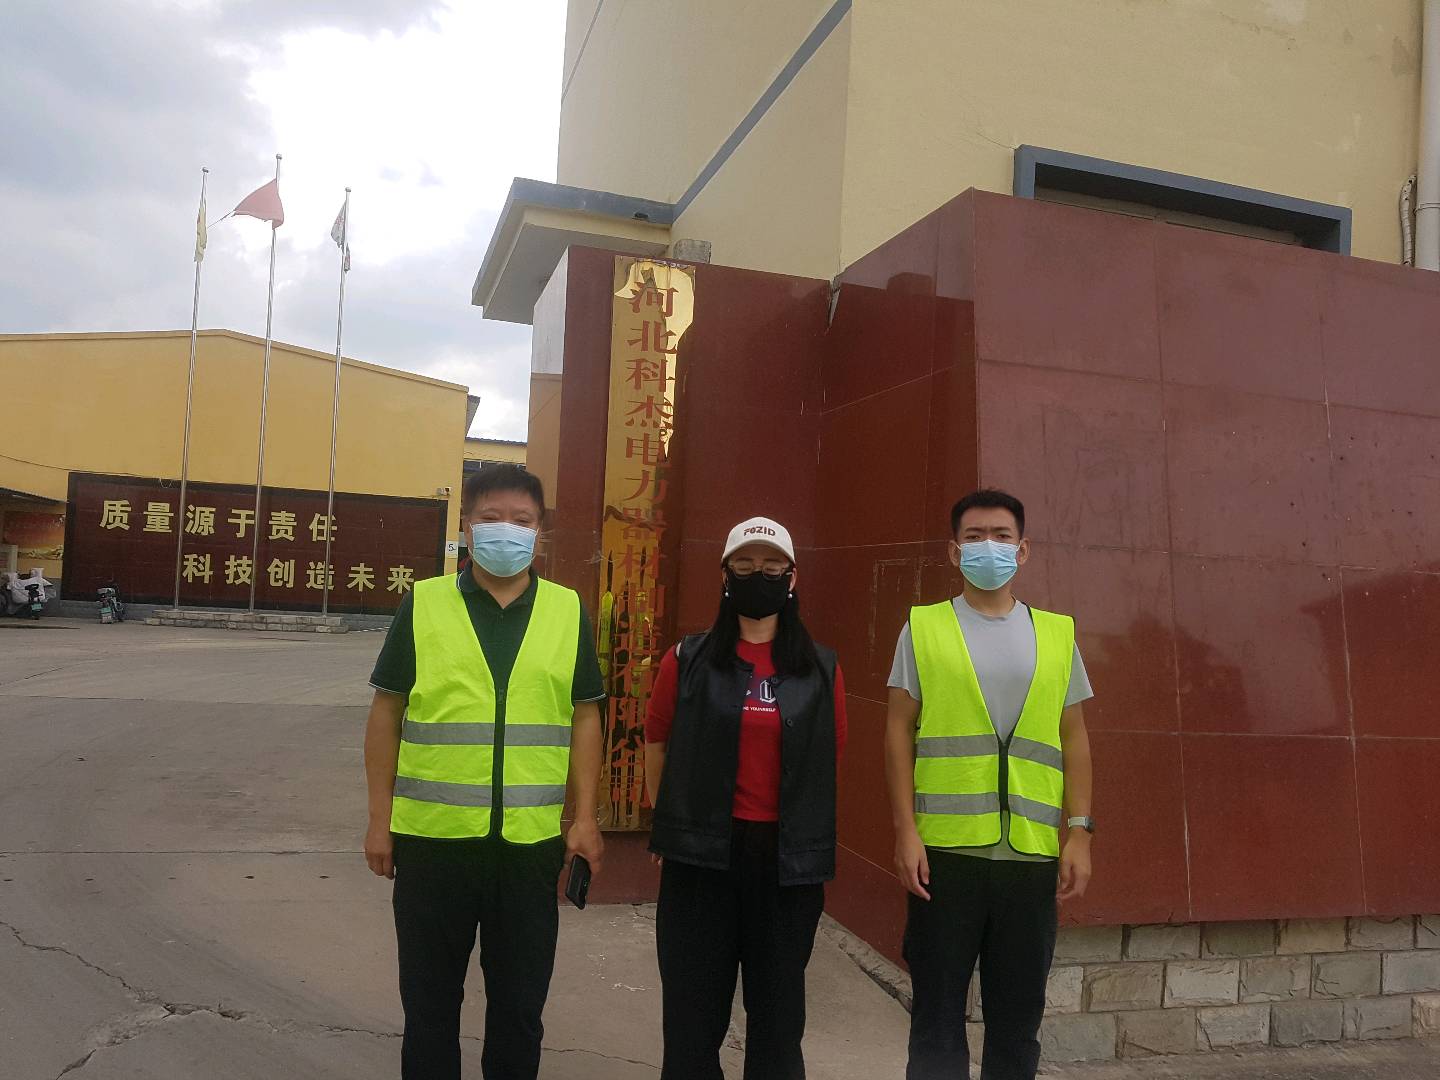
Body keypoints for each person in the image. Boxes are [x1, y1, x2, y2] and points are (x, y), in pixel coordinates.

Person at [363, 462, 606, 1080]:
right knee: (429, 1008)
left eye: (521, 520)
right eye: (491, 517)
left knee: (520, 1011)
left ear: (539, 531)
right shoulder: (424, 603)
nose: (506, 529)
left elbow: (585, 716)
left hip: (528, 847)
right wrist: (378, 821)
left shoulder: (566, 610)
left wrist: (584, 818)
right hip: (432, 843)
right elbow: (387, 712)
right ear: (467, 526)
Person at [884, 489, 1095, 1080]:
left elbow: (1074, 736)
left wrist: (1080, 831)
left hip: (1030, 857)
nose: (989, 547)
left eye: (1002, 536)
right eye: (974, 536)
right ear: (954, 551)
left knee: (1018, 1021)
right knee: (936, 1018)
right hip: (945, 857)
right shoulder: (923, 628)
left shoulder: (1056, 635)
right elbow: (897, 732)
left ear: (1023, 550)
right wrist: (905, 831)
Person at [644, 517, 847, 1080]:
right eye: (746, 564)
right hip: (701, 860)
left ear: (792, 576)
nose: (760, 574)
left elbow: (827, 756)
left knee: (778, 1023)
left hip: (784, 866)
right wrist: (672, 824)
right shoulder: (686, 660)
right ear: (725, 575)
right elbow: (656, 740)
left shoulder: (821, 668)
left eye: (772, 565)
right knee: (692, 1017)